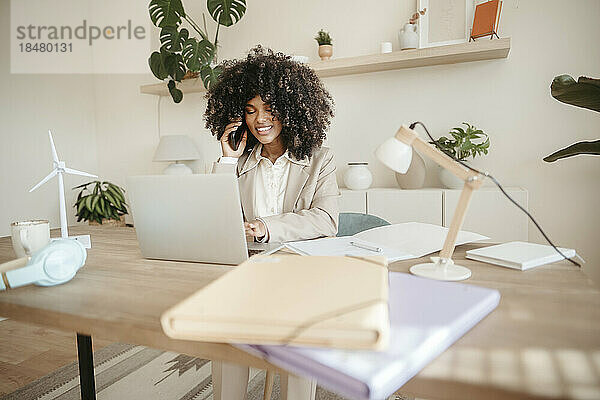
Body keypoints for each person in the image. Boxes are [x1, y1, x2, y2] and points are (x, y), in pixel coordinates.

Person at [203, 45, 339, 398]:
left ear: (292, 110)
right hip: (247, 270)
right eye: (250, 111)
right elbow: (214, 217)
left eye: (269, 109)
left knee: (296, 345)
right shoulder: (239, 163)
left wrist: (267, 227)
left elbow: (326, 219)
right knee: (227, 330)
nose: (259, 119)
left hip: (299, 274)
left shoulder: (320, 160)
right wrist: (227, 160)